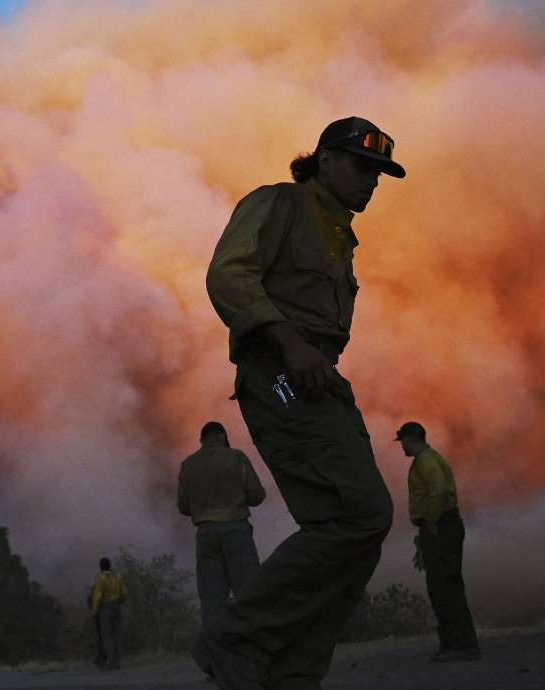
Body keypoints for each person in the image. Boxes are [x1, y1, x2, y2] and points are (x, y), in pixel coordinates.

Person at [199, 116, 405, 690]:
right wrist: (289, 342)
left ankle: (292, 672)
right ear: (326, 160)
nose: (373, 182)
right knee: (362, 515)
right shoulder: (281, 204)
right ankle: (234, 638)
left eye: (380, 173)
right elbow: (228, 274)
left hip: (317, 379)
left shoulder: (339, 231)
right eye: (364, 167)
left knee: (356, 530)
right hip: (281, 374)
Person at [394, 421, 480, 662]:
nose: (402, 447)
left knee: (444, 587)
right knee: (446, 585)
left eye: (403, 442)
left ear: (411, 439)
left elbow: (439, 490)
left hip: (441, 527)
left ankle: (459, 646)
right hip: (443, 526)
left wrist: (430, 521)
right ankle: (459, 644)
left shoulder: (425, 461)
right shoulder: (431, 458)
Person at [178, 421, 267, 628]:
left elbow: (183, 506)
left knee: (212, 598)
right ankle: (252, 648)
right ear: (222, 436)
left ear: (202, 440)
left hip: (206, 533)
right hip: (236, 530)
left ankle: (218, 652)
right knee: (248, 593)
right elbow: (256, 496)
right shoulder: (237, 457)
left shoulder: (189, 464)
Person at [90, 557, 129, 670]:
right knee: (117, 634)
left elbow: (97, 596)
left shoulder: (100, 577)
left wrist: (94, 610)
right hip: (116, 606)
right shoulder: (117, 577)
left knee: (106, 635)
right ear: (110, 565)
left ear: (100, 567)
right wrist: (119, 602)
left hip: (105, 607)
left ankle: (112, 663)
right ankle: (117, 661)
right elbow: (125, 594)